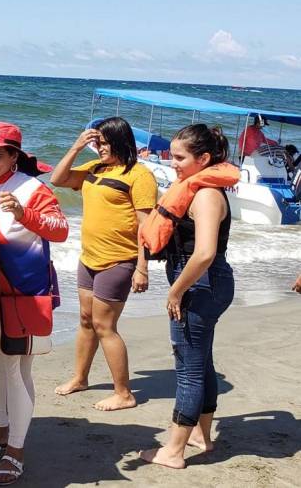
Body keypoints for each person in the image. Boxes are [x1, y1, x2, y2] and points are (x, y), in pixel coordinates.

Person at [0, 122, 68, 485]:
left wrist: (26, 215)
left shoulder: (31, 188)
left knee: (15, 369)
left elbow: (60, 229)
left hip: (23, 293)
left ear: (13, 156)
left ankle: (16, 450)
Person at [140, 125, 235, 469]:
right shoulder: (199, 190)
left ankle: (174, 450)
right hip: (206, 284)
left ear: (204, 159)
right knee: (201, 360)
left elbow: (205, 252)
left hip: (199, 285)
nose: (173, 162)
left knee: (188, 368)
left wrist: (176, 291)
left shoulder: (207, 195)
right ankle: (201, 435)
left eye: (179, 157)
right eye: (171, 155)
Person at [51, 117, 157, 411]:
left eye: (104, 143)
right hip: (89, 258)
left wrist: (142, 267)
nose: (99, 149)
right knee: (86, 319)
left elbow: (144, 224)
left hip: (119, 260)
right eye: (97, 143)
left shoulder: (139, 175)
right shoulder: (94, 169)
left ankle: (124, 393)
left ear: (121, 141)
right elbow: (57, 179)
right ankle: (80, 377)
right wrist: (76, 147)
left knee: (104, 325)